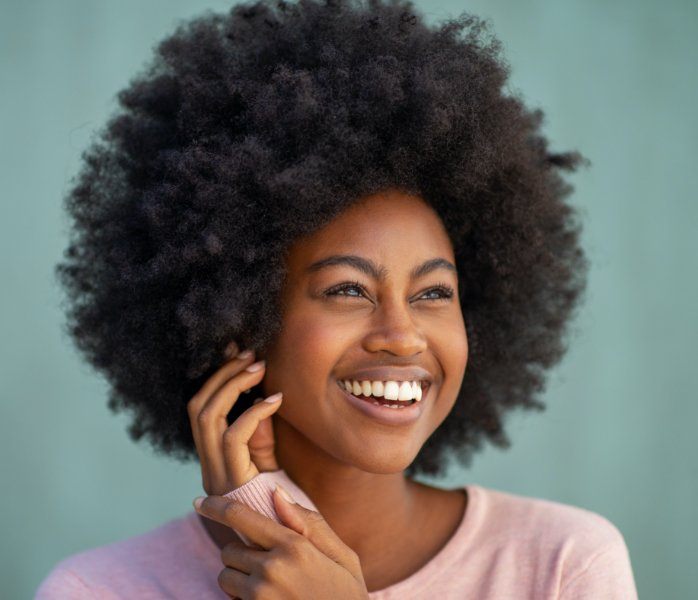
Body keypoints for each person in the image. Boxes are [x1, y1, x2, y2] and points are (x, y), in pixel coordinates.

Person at [36, 0, 638, 597]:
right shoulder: (100, 589)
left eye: (433, 292)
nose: (403, 335)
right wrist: (264, 514)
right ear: (240, 322)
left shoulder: (562, 565)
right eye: (348, 289)